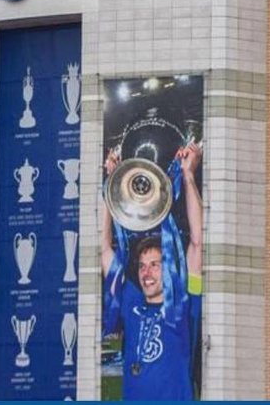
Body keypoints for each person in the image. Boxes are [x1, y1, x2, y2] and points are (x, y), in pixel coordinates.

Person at [100, 142, 203, 401]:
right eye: (143, 266)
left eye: (155, 264)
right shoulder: (131, 300)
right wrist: (110, 185)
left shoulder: (185, 303)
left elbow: (198, 243)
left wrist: (189, 176)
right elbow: (103, 248)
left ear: (167, 267)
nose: (147, 272)